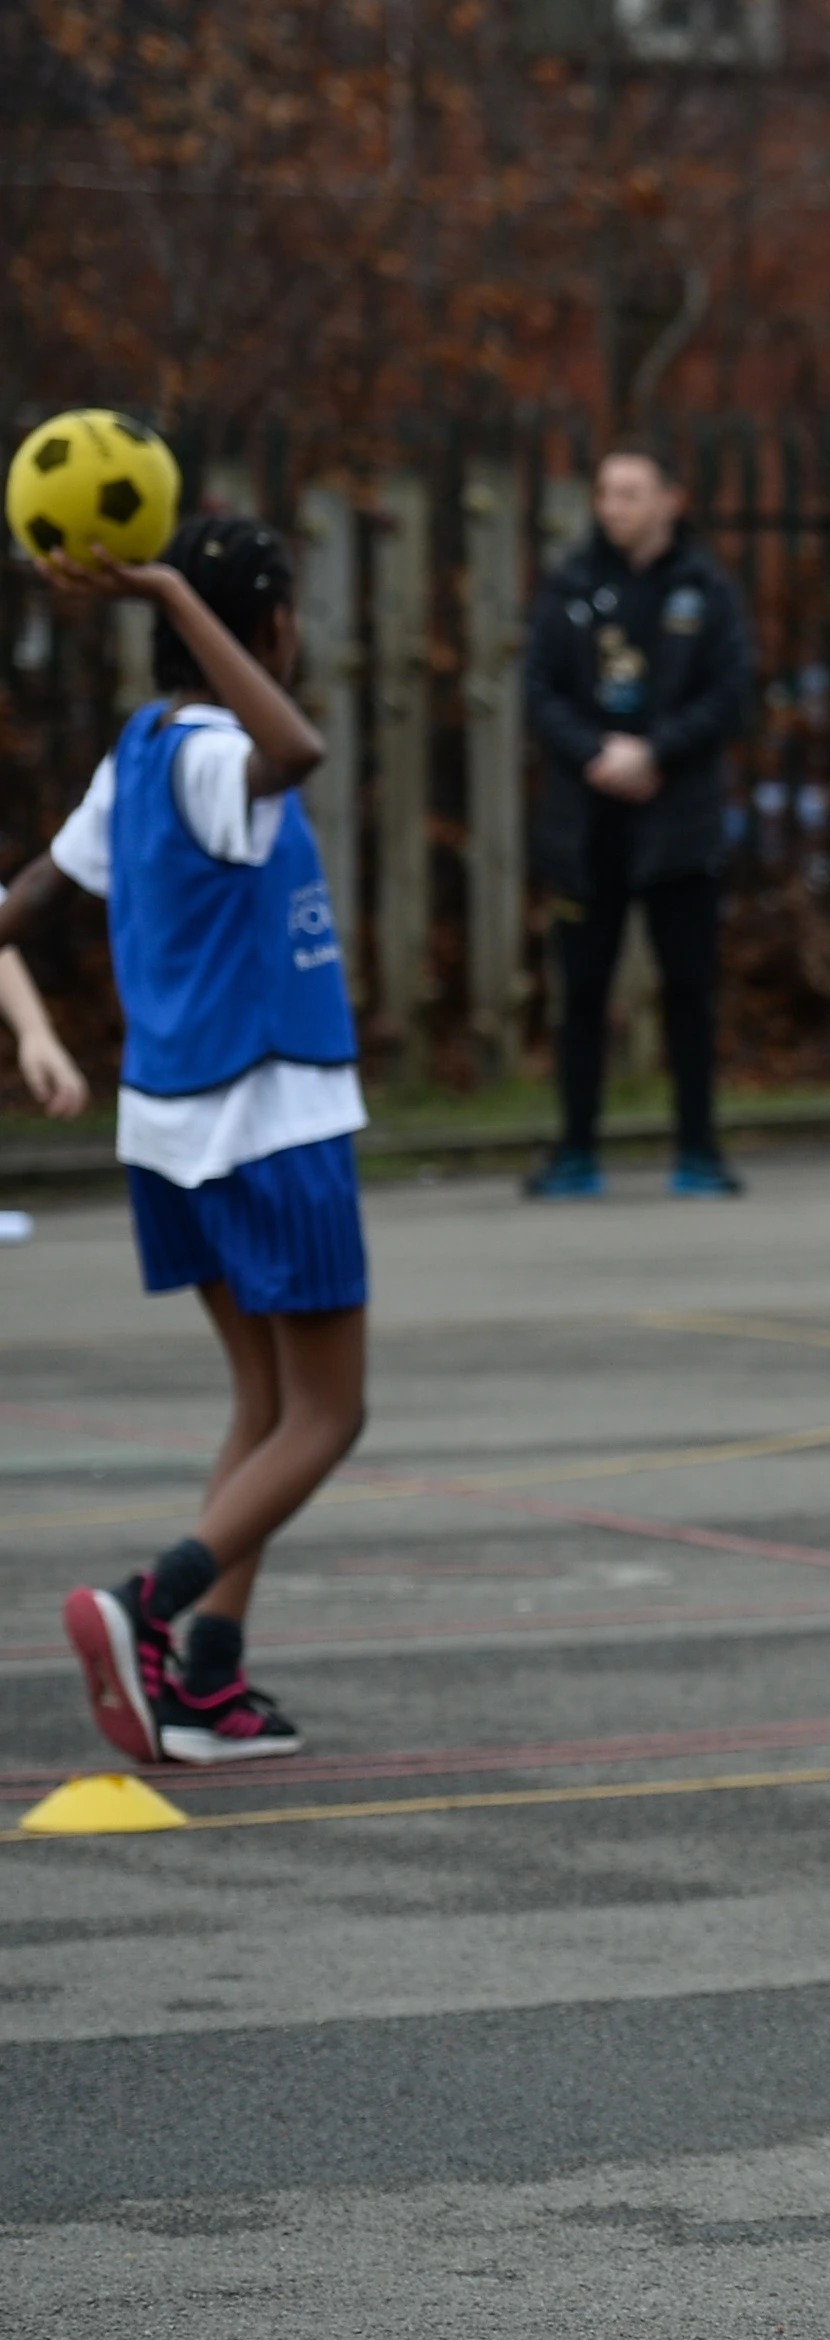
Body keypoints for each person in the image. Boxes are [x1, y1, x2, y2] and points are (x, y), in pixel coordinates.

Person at [0, 522, 361, 1767]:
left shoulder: (136, 749)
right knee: (328, 1416)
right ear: (267, 625)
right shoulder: (210, 752)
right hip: (265, 1117)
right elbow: (297, 745)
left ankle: (205, 1678)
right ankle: (149, 1608)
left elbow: (29, 902)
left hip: (164, 1126)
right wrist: (162, 585)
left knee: (263, 1403)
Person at [524, 442, 758, 1201]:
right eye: (605, 492)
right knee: (582, 991)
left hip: (677, 824)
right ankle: (575, 1151)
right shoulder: (570, 585)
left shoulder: (705, 590)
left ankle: (697, 1149)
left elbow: (729, 694)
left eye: (631, 491)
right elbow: (539, 690)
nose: (614, 506)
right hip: (585, 827)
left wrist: (656, 750)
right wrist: (596, 751)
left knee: (689, 988)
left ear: (669, 499)